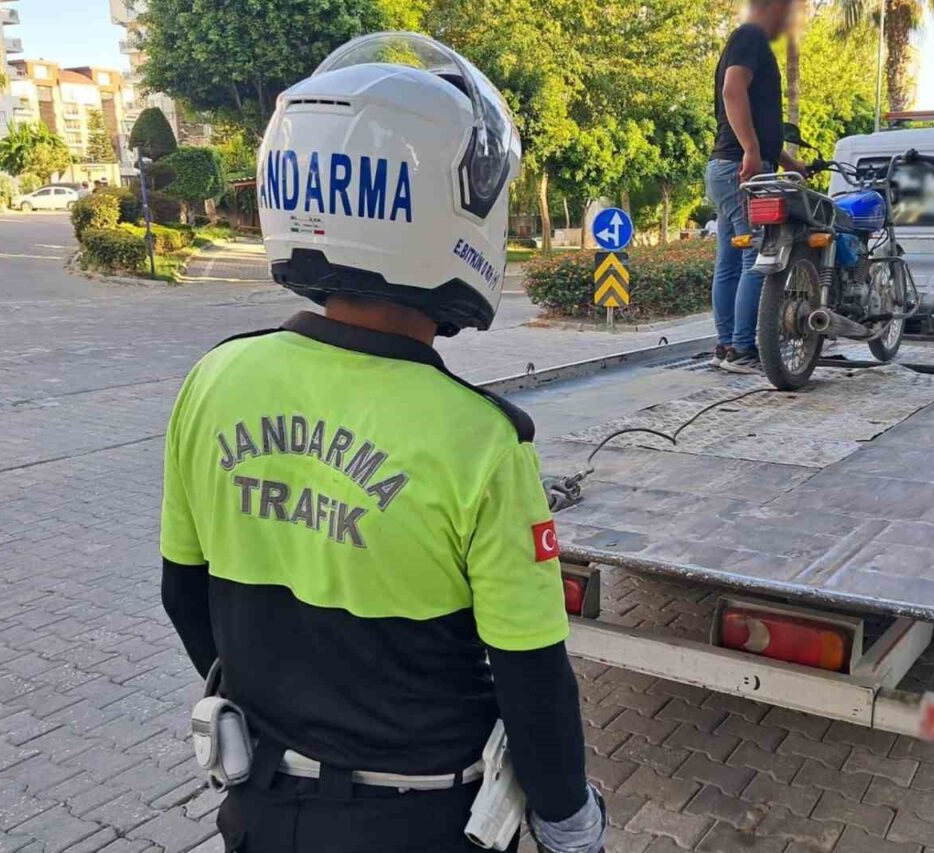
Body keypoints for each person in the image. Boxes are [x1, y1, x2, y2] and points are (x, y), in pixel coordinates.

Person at [159, 33, 603, 853]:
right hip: (422, 823)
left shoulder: (212, 382)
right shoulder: (481, 441)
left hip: (261, 815)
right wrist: (570, 821)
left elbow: (183, 595)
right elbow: (533, 677)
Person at [706, 0, 804, 373]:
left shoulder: (746, 41)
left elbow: (758, 118)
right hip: (742, 168)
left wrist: (788, 162)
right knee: (756, 255)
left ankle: (727, 345)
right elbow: (733, 91)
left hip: (727, 168)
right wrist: (750, 149)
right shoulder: (751, 36)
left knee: (730, 261)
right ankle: (743, 349)